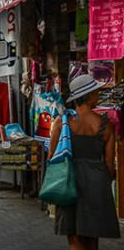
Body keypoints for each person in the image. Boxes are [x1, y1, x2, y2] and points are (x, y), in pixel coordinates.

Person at [48, 75, 121, 250]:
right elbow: (110, 163)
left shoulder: (61, 122)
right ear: (88, 96)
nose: (98, 95)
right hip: (96, 184)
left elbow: (51, 157)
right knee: (92, 238)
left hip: (68, 182)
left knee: (74, 238)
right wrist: (104, 180)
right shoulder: (106, 125)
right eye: (95, 92)